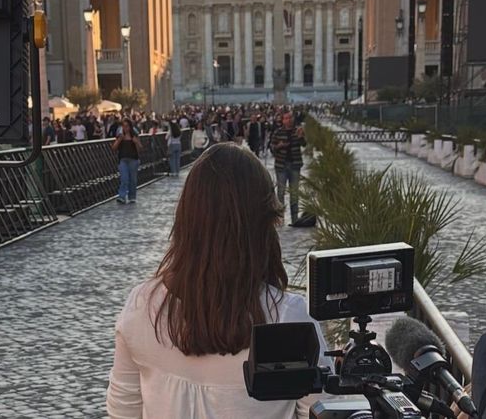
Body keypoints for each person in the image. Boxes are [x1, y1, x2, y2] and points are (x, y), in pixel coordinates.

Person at [106, 144, 326, 419]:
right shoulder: (290, 317)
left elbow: (122, 413)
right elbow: (319, 413)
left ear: (186, 219)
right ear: (263, 224)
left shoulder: (142, 306)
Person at [269, 111, 306, 224]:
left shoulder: (298, 130)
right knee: (281, 192)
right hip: (281, 166)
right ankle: (281, 218)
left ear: (293, 119)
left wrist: (301, 137)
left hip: (295, 165)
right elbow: (271, 147)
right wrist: (278, 146)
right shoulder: (278, 132)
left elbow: (304, 144)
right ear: (283, 120)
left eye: (290, 117)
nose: (288, 120)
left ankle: (295, 218)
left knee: (294, 192)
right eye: (286, 118)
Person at [114, 119, 143, 204]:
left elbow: (140, 149)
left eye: (127, 126)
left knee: (133, 179)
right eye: (123, 126)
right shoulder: (120, 136)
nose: (125, 128)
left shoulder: (134, 136)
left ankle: (132, 196)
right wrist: (119, 140)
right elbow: (114, 148)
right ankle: (122, 196)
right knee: (124, 178)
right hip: (123, 160)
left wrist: (136, 143)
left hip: (133, 160)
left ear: (130, 127)